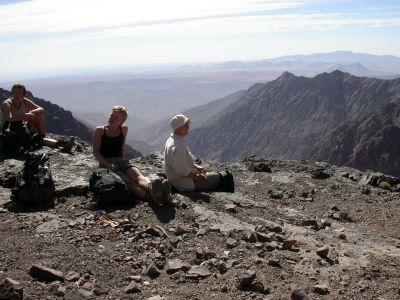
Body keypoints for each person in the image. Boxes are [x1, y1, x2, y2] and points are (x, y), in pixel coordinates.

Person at [92, 105, 170, 204]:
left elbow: (122, 147)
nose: (112, 118)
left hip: (121, 162)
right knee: (127, 181)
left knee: (137, 175)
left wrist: (122, 163)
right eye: (112, 115)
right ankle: (153, 196)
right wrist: (108, 165)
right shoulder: (100, 130)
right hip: (105, 165)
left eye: (116, 117)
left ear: (122, 121)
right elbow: (96, 152)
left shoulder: (124, 129)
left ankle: (153, 188)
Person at [1, 83, 74, 151]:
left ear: (23, 94)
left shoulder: (24, 101)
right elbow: (9, 119)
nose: (16, 95)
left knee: (39, 115)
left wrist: (32, 112)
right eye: (14, 92)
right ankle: (61, 144)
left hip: (22, 126)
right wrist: (25, 115)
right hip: (9, 130)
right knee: (33, 139)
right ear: (12, 93)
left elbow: (41, 109)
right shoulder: (7, 104)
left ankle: (42, 136)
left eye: (19, 93)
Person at [164, 114, 225, 192]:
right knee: (222, 177)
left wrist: (196, 166)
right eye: (186, 125)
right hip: (184, 184)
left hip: (175, 180)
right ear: (179, 127)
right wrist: (196, 177)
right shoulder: (179, 145)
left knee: (213, 175)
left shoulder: (171, 140)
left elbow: (181, 162)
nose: (188, 127)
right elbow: (182, 170)